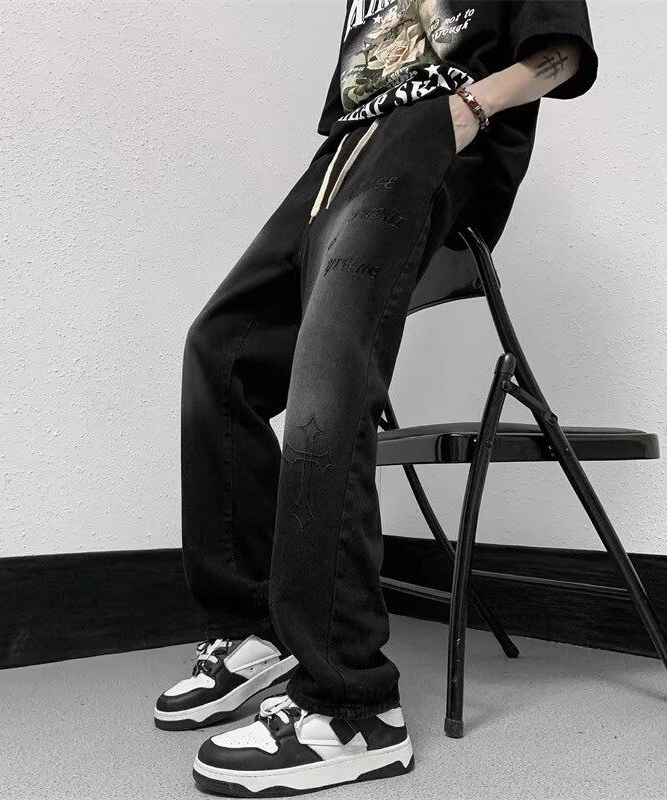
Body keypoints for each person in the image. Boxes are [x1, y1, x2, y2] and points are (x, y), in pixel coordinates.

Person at [156, 1, 598, 795]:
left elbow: (560, 53)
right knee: (219, 352)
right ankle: (255, 630)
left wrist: (469, 108)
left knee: (328, 375)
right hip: (344, 148)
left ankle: (353, 704)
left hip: (431, 128)